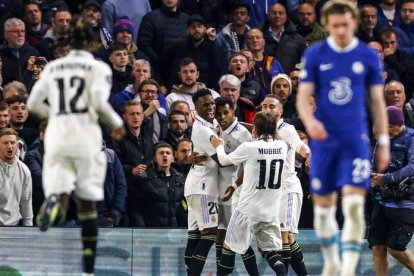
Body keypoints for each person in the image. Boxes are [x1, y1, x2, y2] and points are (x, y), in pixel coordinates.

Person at [296, 1, 391, 275]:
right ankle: (332, 262)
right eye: (335, 25)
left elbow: (377, 102)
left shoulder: (367, 56)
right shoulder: (315, 54)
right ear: (327, 25)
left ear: (354, 24)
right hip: (324, 141)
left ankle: (347, 266)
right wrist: (310, 122)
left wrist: (383, 141)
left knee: (352, 204)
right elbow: (303, 98)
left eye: (345, 25)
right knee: (324, 208)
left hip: (355, 140)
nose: (340, 30)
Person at [27, 17, 125, 276]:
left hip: (58, 136)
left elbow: (34, 105)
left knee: (61, 192)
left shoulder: (53, 69)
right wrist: (115, 122)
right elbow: (99, 103)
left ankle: (54, 204)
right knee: (87, 205)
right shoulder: (98, 69)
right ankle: (88, 269)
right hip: (86, 136)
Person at [211, 111, 288, 276]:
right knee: (270, 252)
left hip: (247, 210)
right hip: (270, 211)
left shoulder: (249, 147)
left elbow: (224, 161)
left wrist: (218, 145)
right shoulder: (282, 146)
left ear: (256, 128)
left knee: (228, 247)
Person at [261, 95, 310, 275]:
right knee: (285, 238)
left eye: (272, 106)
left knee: (283, 236)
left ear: (280, 111)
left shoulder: (286, 128)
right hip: (270, 191)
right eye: (264, 106)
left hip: (287, 188)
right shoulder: (261, 132)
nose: (267, 109)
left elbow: (299, 145)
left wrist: (307, 154)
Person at [214, 97, 258, 275]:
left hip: (237, 195)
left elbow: (249, 166)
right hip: (220, 191)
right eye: (218, 114)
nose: (222, 117)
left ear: (233, 112)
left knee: (238, 239)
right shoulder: (216, 130)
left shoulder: (243, 135)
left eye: (226, 112)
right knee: (221, 234)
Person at [370, 106, 414, 276]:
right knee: (378, 247)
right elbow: (375, 163)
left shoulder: (411, 137)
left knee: (396, 248)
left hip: (405, 202)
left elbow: (413, 166)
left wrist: (386, 178)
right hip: (382, 200)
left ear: (399, 124)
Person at [184, 88, 219, 275]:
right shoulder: (203, 130)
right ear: (196, 108)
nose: (211, 107)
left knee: (195, 237)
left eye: (212, 102)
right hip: (203, 187)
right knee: (210, 232)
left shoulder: (210, 124)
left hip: (197, 185)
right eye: (205, 104)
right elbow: (221, 160)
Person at [127, 142, 187, 227]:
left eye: (168, 153)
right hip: (152, 233)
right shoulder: (144, 179)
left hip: (175, 232)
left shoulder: (181, 179)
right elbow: (135, 208)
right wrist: (142, 230)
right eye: (161, 153)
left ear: (173, 158)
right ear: (155, 158)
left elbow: (184, 204)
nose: (165, 155)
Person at [0, 128, 33, 226]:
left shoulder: (24, 170)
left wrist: (29, 230)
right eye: (5, 143)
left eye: (12, 143)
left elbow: (26, 203)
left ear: (17, 145)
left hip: (14, 226)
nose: (9, 146)